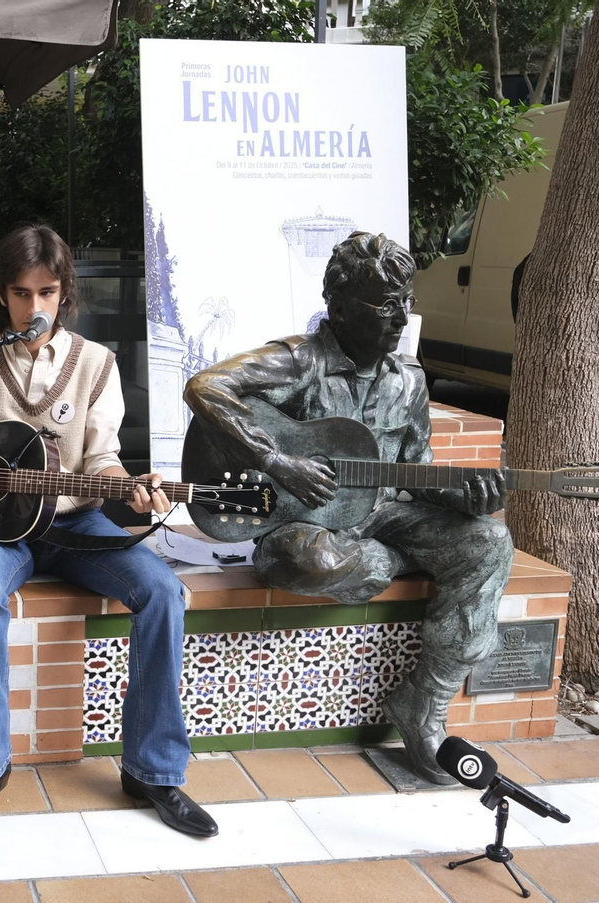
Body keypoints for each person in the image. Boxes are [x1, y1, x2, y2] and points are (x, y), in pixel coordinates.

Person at [0, 224, 216, 838]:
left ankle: (154, 771)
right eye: (22, 294)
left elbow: (102, 459)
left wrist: (128, 485)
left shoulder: (98, 364)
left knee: (160, 591)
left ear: (64, 292)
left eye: (47, 292)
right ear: (2, 294)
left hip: (77, 521)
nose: (35, 307)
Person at [185, 232, 513, 785]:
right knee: (309, 560)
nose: (400, 317)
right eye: (384, 304)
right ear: (338, 304)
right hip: (308, 526)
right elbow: (206, 387)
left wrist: (460, 492)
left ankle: (423, 706)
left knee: (488, 541)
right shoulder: (298, 361)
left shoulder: (408, 381)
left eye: (405, 302)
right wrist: (276, 460)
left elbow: (416, 467)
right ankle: (384, 561)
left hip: (385, 513)